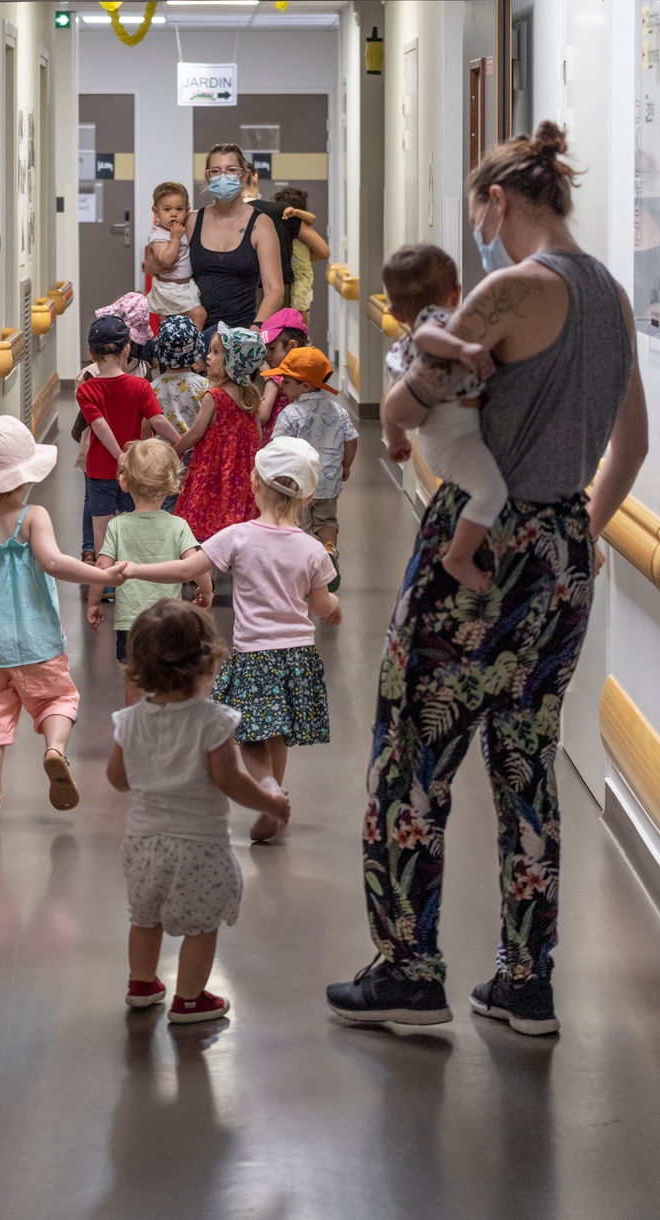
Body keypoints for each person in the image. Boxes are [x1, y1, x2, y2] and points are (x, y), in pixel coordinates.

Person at [327, 121, 647, 1037]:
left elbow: (402, 403)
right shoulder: (613, 299)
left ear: (496, 202)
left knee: (410, 761)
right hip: (559, 557)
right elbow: (635, 443)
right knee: (526, 763)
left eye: (478, 210)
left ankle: (407, 969)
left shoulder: (509, 292)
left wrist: (415, 396)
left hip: (477, 553)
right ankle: (525, 981)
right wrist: (574, 532)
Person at [123, 438, 341, 845]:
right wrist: (335, 604)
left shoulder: (237, 536)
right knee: (276, 732)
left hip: (254, 654)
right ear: (309, 495)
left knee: (252, 736)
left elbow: (185, 569)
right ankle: (274, 790)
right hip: (296, 656)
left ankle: (269, 793)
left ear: (254, 482)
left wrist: (136, 569)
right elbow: (321, 603)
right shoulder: (313, 550)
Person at [107, 600, 291, 1023]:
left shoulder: (129, 720)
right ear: (206, 660)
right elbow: (229, 780)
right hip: (199, 847)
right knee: (201, 925)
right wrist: (272, 803)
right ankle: (189, 999)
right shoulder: (212, 721)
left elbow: (118, 778)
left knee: (145, 917)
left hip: (142, 844)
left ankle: (141, 982)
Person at [0, 416, 128, 823]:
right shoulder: (33, 516)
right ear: (26, 476)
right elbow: (54, 562)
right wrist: (103, 575)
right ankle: (54, 750)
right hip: (34, 639)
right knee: (56, 698)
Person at [380, 243, 508, 592]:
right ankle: (458, 557)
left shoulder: (401, 350)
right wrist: (463, 349)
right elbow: (426, 335)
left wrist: (396, 440)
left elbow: (389, 404)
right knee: (491, 492)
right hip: (451, 439)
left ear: (392, 311)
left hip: (450, 437)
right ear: (457, 294)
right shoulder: (439, 322)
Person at [88, 440, 213, 701]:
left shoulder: (117, 525)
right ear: (174, 485)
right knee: (170, 677)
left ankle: (135, 730)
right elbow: (196, 563)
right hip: (169, 620)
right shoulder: (178, 525)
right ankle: (166, 726)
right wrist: (206, 589)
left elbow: (102, 566)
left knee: (134, 678)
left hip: (131, 622)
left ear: (124, 483)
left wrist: (94, 602)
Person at [76, 314, 179, 556]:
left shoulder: (87, 389)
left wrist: (116, 455)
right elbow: (158, 420)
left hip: (99, 470)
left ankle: (101, 584)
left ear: (91, 354)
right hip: (134, 469)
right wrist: (180, 442)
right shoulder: (140, 386)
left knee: (100, 529)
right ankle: (127, 576)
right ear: (127, 349)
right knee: (132, 524)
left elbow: (99, 425)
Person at [269, 347, 357, 587]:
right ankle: (328, 551)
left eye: (286, 381)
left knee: (301, 525)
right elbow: (351, 439)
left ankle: (307, 570)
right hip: (329, 480)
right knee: (327, 521)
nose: (282, 386)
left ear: (305, 386)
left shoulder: (290, 413)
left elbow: (278, 446)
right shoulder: (338, 410)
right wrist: (345, 465)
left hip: (299, 484)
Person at [173, 324, 266, 541]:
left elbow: (196, 433)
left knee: (208, 518)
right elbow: (258, 435)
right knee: (237, 513)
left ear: (231, 362)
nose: (208, 356)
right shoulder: (251, 396)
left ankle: (205, 571)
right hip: (243, 471)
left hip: (212, 470)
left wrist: (176, 449)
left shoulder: (214, 396)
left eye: (216, 352)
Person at [186, 144, 285, 331]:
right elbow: (166, 268)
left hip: (242, 331)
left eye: (231, 170)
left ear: (244, 175)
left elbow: (274, 289)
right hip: (195, 332)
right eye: (216, 171)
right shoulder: (191, 222)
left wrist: (255, 330)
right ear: (208, 177)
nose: (223, 176)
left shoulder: (260, 225)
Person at [145, 182, 206, 328]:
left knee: (180, 323)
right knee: (199, 315)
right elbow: (167, 260)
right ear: (156, 211)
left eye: (179, 209)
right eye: (167, 209)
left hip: (184, 286)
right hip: (170, 288)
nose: (173, 214)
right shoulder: (159, 235)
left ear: (187, 210)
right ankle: (194, 347)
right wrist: (175, 238)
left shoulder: (180, 229)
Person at [275, 187, 330, 320]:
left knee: (299, 306)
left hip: (301, 272)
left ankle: (303, 336)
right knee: (295, 304)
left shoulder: (300, 223)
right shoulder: (281, 225)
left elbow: (324, 251)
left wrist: (295, 213)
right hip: (292, 272)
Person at [151, 315, 208, 439]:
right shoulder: (205, 385)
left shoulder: (151, 389)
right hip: (197, 452)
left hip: (162, 453)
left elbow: (145, 429)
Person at [257, 307, 310, 438]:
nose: (267, 355)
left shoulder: (277, 380)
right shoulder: (310, 373)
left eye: (272, 348)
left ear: (292, 346)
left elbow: (262, 415)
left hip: (277, 443)